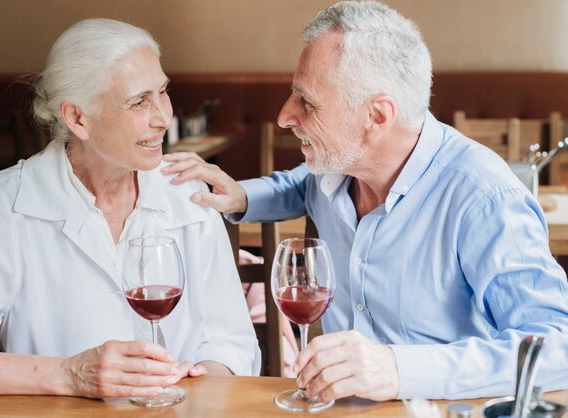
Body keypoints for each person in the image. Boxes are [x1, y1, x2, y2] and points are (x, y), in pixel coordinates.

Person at [163, 0, 568, 402]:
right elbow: (298, 184)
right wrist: (241, 194)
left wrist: (396, 369)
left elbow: (556, 348)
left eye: (307, 101)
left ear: (377, 116)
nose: (285, 116)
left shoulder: (484, 197)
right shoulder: (337, 167)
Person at [0, 18, 259, 398]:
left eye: (162, 92)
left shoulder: (187, 192)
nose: (163, 117)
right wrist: (68, 376)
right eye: (139, 101)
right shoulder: (4, 208)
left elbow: (232, 342)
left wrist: (195, 383)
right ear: (77, 118)